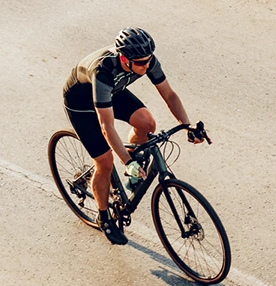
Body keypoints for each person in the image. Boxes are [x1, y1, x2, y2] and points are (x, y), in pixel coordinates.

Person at [62, 28, 206, 245]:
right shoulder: (103, 72)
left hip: (112, 91)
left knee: (147, 123)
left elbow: (170, 95)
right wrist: (126, 162)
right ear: (123, 58)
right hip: (81, 103)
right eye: (139, 63)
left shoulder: (147, 60)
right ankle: (104, 217)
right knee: (105, 162)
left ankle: (131, 173)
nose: (145, 66)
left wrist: (187, 126)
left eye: (147, 60)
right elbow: (106, 126)